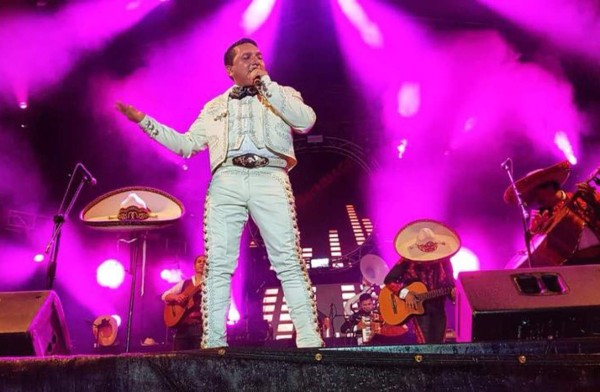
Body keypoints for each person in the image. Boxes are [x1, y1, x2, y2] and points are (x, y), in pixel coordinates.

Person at [117, 38, 323, 349]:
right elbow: (186, 145)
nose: (255, 60)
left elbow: (306, 121)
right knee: (218, 265)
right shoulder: (214, 107)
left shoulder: (283, 94)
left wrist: (266, 85)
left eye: (258, 55)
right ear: (230, 69)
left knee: (288, 260)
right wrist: (145, 122)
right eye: (245, 57)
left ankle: (309, 339)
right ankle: (214, 342)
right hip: (226, 179)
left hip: (270, 175)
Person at [504, 161, 600, 267]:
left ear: (549, 186)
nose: (535, 199)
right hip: (572, 269)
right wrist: (533, 233)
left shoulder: (585, 197)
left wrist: (595, 204)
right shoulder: (544, 216)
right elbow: (539, 257)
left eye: (536, 193)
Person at [383, 220, 459, 344]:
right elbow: (389, 280)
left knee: (439, 345)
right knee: (425, 345)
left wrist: (453, 293)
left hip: (439, 309)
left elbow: (450, 284)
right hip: (419, 312)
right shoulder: (406, 261)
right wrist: (406, 294)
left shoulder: (444, 260)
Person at [161, 255, 206, 350]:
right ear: (194, 266)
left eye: (205, 262)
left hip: (199, 327)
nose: (202, 263)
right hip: (182, 328)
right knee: (178, 358)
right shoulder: (185, 283)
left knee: (198, 359)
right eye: (199, 261)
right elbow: (165, 296)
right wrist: (176, 297)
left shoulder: (209, 284)